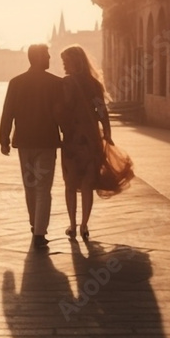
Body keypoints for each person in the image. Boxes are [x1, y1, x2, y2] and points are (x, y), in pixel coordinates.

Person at [0, 44, 63, 249]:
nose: (50, 57)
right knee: (43, 188)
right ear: (37, 57)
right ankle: (39, 232)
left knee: (30, 187)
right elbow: (61, 114)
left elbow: (7, 112)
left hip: (25, 142)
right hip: (46, 142)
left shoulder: (16, 82)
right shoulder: (55, 83)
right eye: (46, 54)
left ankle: (34, 224)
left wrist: (4, 140)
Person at [59, 44, 111, 240]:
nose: (64, 66)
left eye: (66, 62)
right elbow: (101, 111)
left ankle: (72, 224)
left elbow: (62, 111)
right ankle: (84, 225)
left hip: (72, 139)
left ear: (74, 62)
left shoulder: (66, 84)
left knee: (70, 184)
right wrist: (107, 131)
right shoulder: (95, 85)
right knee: (88, 184)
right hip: (90, 139)